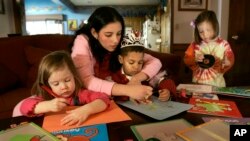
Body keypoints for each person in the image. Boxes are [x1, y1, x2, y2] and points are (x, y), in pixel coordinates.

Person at [70, 6, 162, 101]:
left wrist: (136, 79)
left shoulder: (120, 42)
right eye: (108, 35)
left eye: (119, 33)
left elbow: (155, 61)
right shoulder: (82, 41)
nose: (116, 41)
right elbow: (86, 80)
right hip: (94, 98)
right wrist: (128, 90)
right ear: (94, 33)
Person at [13, 51, 110, 126]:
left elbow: (104, 98)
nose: (64, 87)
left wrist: (86, 110)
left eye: (67, 80)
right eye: (56, 83)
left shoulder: (80, 94)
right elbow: (24, 107)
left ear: (74, 76)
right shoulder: (45, 97)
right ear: (47, 85)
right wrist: (47, 105)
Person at [111, 32, 177, 102]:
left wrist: (167, 91)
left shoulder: (145, 73)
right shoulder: (115, 77)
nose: (136, 67)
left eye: (140, 62)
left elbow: (164, 80)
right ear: (121, 59)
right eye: (131, 62)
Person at [184, 10, 234, 87]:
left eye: (208, 30)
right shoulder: (194, 44)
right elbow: (186, 59)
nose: (205, 34)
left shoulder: (224, 44)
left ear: (215, 27)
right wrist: (194, 59)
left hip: (217, 84)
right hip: (197, 84)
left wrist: (227, 62)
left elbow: (230, 60)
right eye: (201, 32)